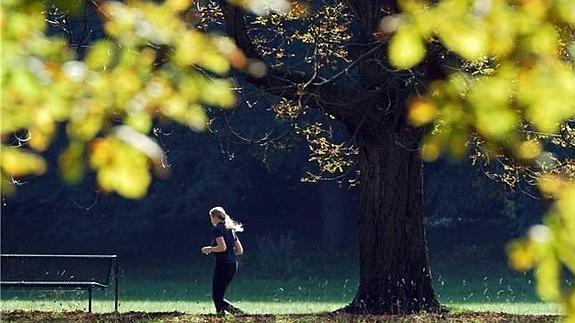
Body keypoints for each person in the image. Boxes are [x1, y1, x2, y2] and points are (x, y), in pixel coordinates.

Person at [201, 206, 245, 315]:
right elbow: (239, 250)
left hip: (223, 265)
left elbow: (222, 247)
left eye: (211, 217)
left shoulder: (217, 229)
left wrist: (209, 249)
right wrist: (230, 253)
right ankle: (220, 316)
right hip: (233, 265)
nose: (211, 220)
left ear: (215, 217)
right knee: (218, 295)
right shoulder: (230, 229)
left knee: (217, 296)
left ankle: (239, 314)